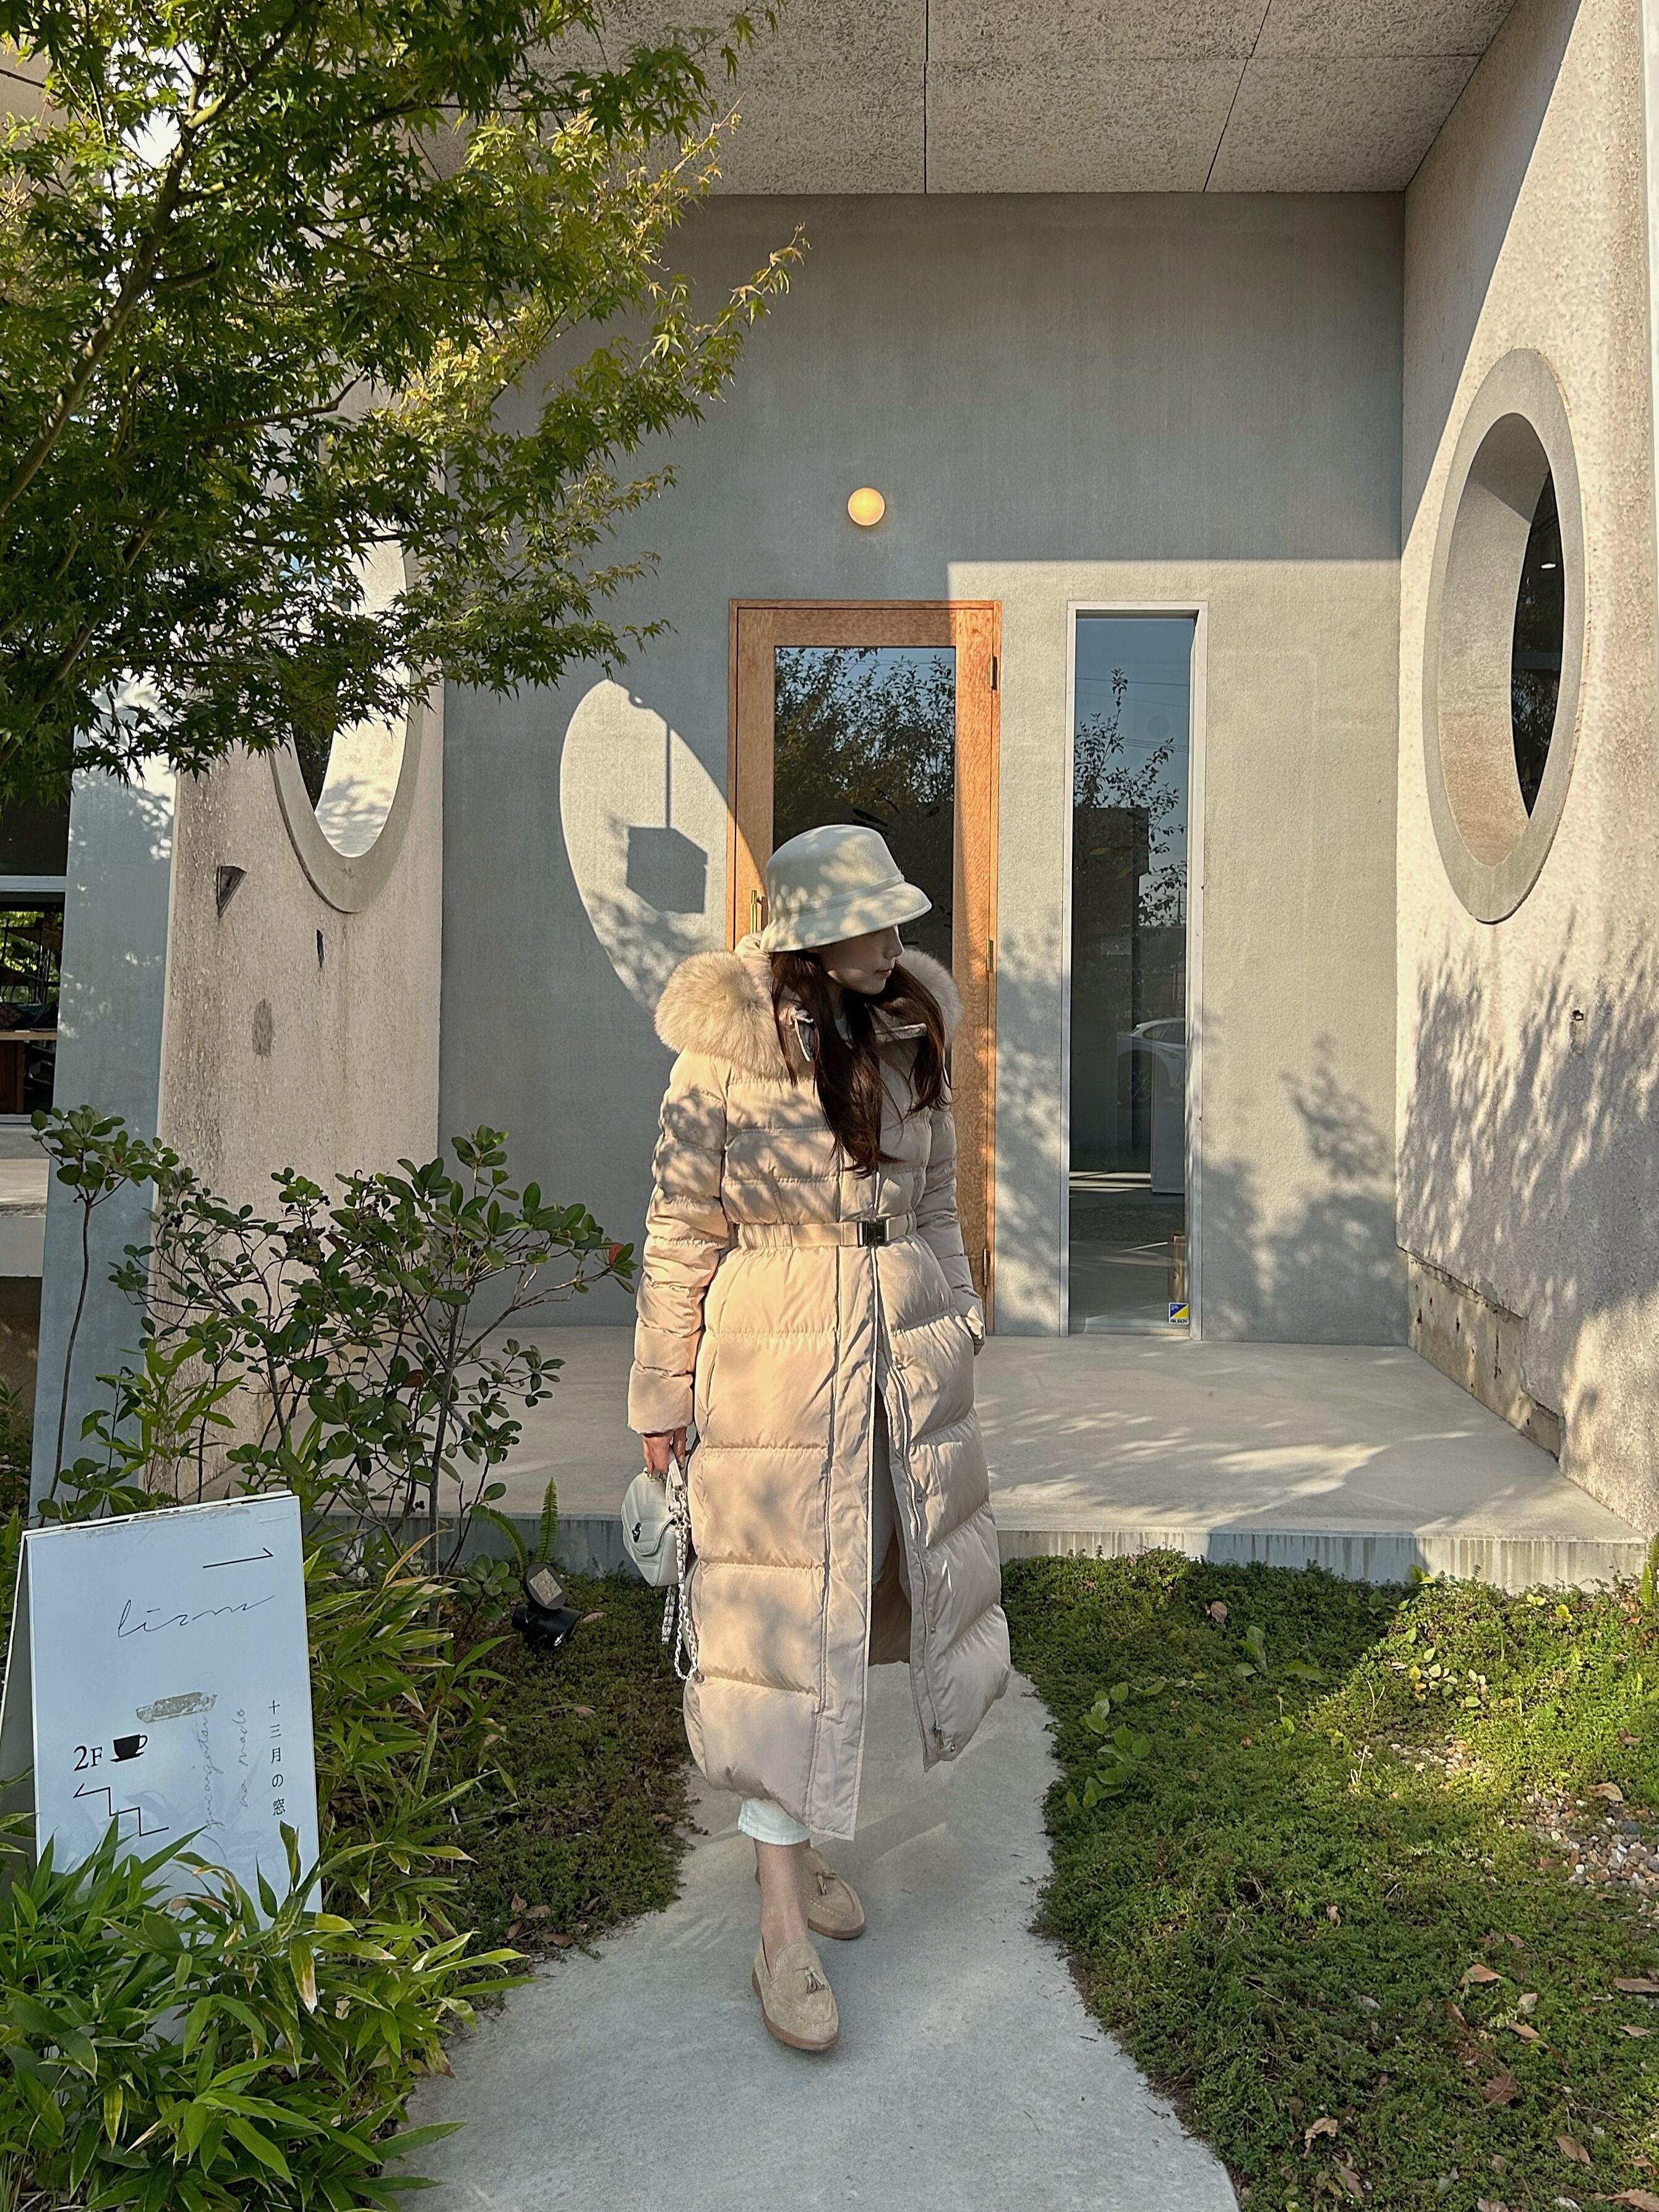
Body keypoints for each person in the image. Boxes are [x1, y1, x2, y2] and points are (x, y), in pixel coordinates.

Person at [628, 821, 1010, 2053]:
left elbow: (936, 1198)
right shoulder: (721, 1057)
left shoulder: (907, 1029)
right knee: (782, 1629)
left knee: (857, 1606)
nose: (892, 938)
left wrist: (961, 1315)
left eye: (895, 917)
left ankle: (795, 1851)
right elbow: (680, 1229)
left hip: (900, 1356)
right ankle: (779, 1926)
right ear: (807, 935)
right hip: (774, 1358)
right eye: (867, 921)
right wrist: (662, 1394)